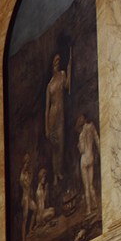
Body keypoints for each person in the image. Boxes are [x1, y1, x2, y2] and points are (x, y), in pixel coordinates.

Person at [45, 53, 70, 185]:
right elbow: (47, 108)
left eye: (59, 61)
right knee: (55, 147)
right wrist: (47, 128)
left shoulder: (62, 74)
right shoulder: (49, 86)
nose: (57, 63)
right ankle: (55, 175)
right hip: (52, 116)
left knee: (61, 144)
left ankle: (59, 171)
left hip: (61, 114)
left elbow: (67, 86)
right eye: (55, 62)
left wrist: (69, 70)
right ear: (52, 64)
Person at [76, 114, 99, 215]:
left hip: (84, 160)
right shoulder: (92, 127)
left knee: (86, 186)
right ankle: (95, 203)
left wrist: (78, 146)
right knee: (91, 184)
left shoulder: (81, 135)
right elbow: (97, 140)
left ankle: (89, 209)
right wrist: (100, 152)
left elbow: (81, 150)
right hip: (91, 157)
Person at [20, 154, 35, 241]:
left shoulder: (26, 173)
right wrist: (30, 177)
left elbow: (30, 186)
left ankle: (30, 230)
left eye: (28, 163)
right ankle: (23, 240)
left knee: (35, 209)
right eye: (26, 163)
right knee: (24, 219)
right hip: (25, 198)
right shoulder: (22, 175)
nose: (27, 164)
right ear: (24, 163)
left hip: (29, 197)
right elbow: (26, 185)